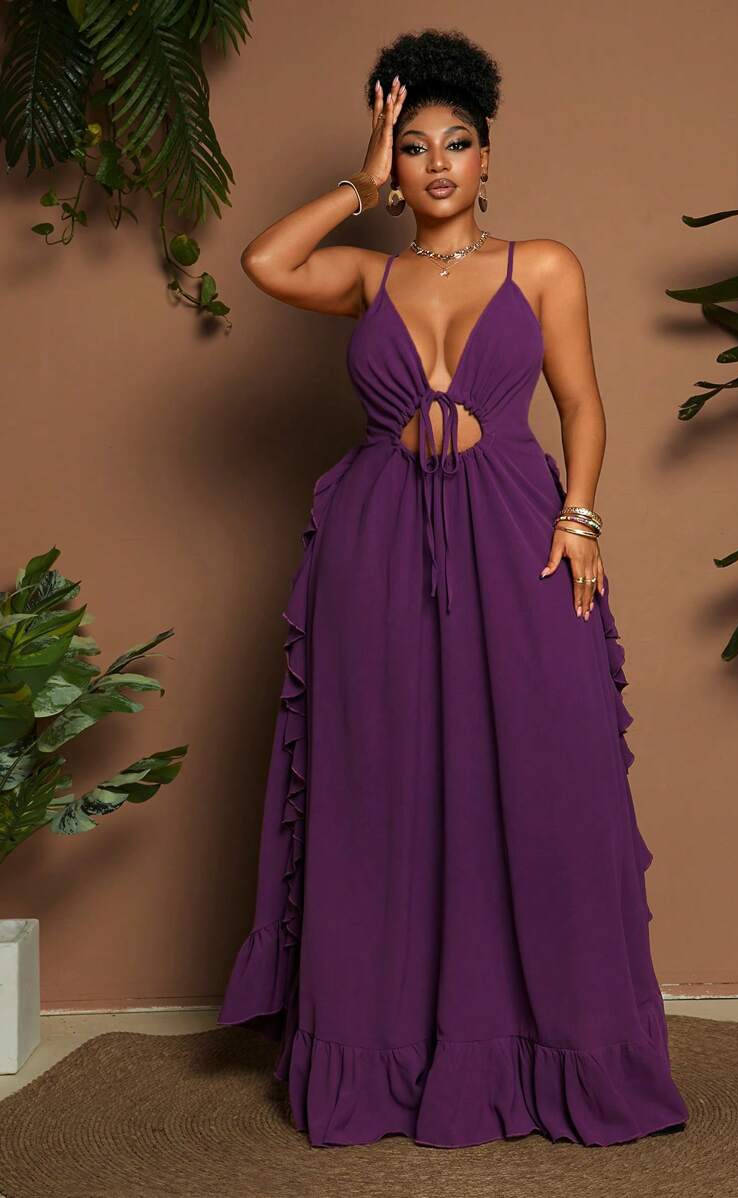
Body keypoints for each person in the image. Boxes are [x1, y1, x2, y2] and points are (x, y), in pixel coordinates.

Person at [217, 26, 689, 1150]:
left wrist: (580, 516)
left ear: (488, 157)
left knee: (543, 779)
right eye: (415, 146)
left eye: (457, 142)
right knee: (383, 790)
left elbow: (582, 404)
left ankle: (552, 1050)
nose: (436, 163)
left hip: (520, 542)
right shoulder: (366, 274)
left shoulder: (544, 265)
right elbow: (265, 262)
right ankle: (383, 1058)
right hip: (376, 554)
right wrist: (357, 182)